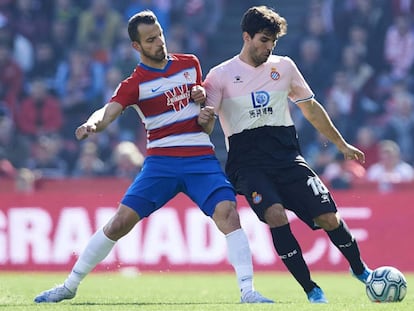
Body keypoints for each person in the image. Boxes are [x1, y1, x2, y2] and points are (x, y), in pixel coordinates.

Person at [33, 10, 272, 304]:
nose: (159, 42)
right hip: (161, 163)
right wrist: (93, 124)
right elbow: (108, 111)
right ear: (137, 47)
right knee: (120, 222)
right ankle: (69, 285)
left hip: (199, 157)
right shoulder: (134, 83)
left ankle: (248, 291)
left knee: (228, 214)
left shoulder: (190, 64)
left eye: (159, 34)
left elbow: (204, 123)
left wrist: (205, 108)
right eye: (150, 40)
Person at [203, 5, 373, 304]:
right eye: (264, 40)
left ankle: (361, 271)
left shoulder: (285, 67)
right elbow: (206, 121)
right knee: (275, 214)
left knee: (328, 217)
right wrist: (203, 114)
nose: (269, 47)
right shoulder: (220, 76)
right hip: (248, 164)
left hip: (287, 157)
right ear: (246, 36)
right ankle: (311, 289)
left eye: (273, 42)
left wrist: (341, 144)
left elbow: (310, 109)